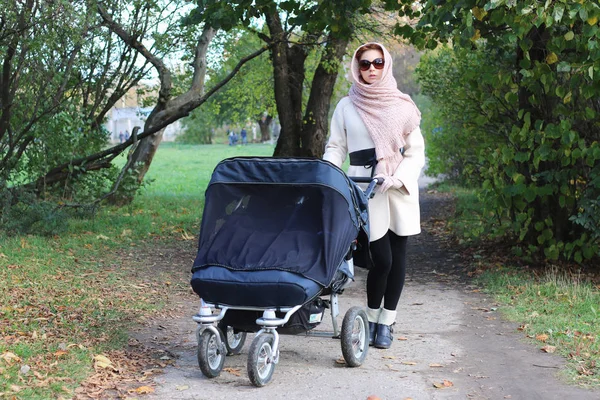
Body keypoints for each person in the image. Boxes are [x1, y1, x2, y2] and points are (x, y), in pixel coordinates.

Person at [323, 42, 425, 349]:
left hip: (398, 187)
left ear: (386, 65)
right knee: (380, 259)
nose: (371, 69)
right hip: (363, 189)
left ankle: (387, 322)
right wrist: (328, 175)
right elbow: (336, 147)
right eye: (365, 63)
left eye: (378, 63)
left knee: (398, 257)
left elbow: (416, 152)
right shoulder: (346, 105)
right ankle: (369, 316)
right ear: (357, 67)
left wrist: (397, 178)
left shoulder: (402, 105)